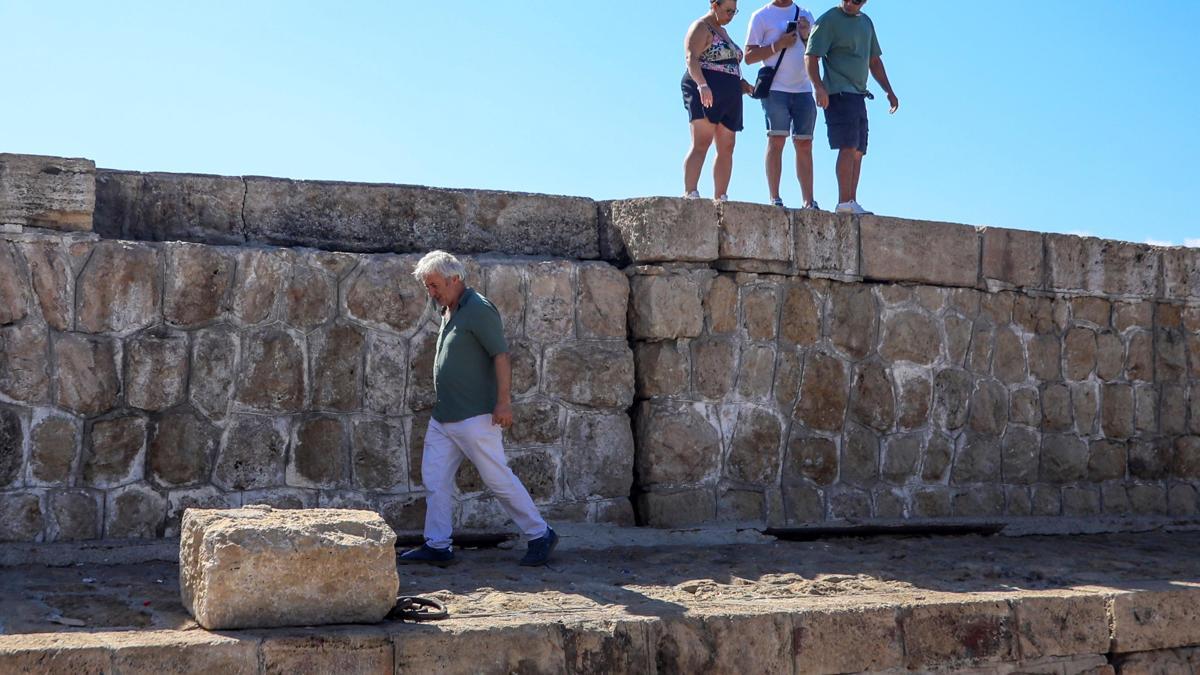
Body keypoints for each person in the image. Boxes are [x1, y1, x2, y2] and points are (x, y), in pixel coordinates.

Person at [399, 251, 557, 568]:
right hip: (445, 416)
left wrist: (503, 402)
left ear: (455, 279)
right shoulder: (448, 309)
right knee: (435, 480)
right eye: (428, 286)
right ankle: (438, 545)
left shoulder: (479, 309)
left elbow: (500, 355)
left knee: (498, 478)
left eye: (434, 285)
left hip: (475, 416)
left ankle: (540, 534)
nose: (431, 293)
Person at [804, 0, 898, 215]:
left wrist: (888, 91)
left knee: (858, 149)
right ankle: (843, 201)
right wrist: (818, 87)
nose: (850, 3)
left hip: (859, 94)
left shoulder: (866, 22)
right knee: (847, 145)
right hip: (838, 92)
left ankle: (851, 201)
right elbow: (811, 56)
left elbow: (874, 61)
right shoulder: (829, 20)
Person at [745, 0, 819, 209]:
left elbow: (815, 55)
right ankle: (775, 198)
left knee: (805, 144)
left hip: (803, 88)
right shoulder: (761, 16)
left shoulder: (805, 14)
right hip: (776, 88)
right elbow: (749, 56)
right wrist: (778, 44)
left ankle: (808, 201)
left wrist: (805, 36)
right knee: (777, 140)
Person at [682, 0, 754, 202]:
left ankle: (721, 197)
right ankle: (691, 193)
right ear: (714, 5)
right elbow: (691, 58)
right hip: (706, 86)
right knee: (701, 142)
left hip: (730, 92)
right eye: (728, 10)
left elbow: (728, 64)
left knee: (727, 145)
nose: (731, 15)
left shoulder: (723, 31)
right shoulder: (701, 26)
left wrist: (743, 84)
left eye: (734, 11)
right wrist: (702, 85)